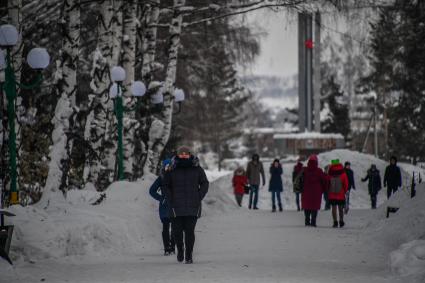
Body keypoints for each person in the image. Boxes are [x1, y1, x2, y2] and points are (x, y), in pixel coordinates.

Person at [163, 146, 209, 264]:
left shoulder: (197, 169)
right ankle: (180, 250)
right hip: (175, 206)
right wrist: (170, 198)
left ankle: (189, 254)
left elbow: (204, 183)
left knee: (189, 232)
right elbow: (165, 185)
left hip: (192, 206)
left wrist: (199, 196)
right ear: (178, 155)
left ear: (189, 154)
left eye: (186, 154)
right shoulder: (171, 169)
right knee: (177, 232)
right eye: (181, 154)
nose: (183, 155)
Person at [149, 159, 175, 255]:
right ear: (163, 167)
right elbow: (151, 190)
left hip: (174, 205)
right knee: (166, 227)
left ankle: (172, 247)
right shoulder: (161, 178)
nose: (168, 168)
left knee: (175, 227)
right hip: (164, 206)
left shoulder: (176, 177)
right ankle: (167, 248)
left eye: (170, 166)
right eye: (166, 166)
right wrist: (161, 198)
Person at [301, 155, 328, 227]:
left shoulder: (305, 170)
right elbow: (324, 181)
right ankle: (313, 221)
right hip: (316, 192)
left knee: (307, 206)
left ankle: (307, 221)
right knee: (314, 207)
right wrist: (323, 189)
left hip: (306, 191)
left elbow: (300, 180)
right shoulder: (319, 171)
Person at [327, 159, 349, 228]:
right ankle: (341, 221)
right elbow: (345, 183)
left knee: (333, 208)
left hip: (332, 194)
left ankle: (335, 222)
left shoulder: (330, 172)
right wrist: (345, 191)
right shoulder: (343, 173)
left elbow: (328, 183)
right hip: (341, 193)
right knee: (340, 208)